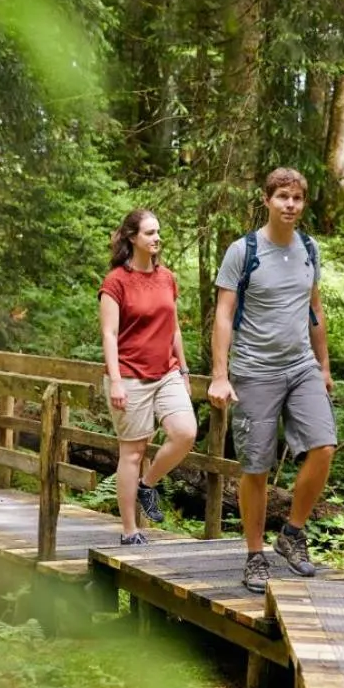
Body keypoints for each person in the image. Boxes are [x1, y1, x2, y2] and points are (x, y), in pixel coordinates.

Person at [207, 168, 337, 593]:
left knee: (324, 446)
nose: (290, 205)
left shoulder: (309, 249)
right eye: (282, 196)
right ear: (267, 200)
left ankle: (292, 534)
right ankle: (254, 556)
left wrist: (324, 366)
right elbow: (224, 315)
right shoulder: (243, 251)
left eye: (296, 198)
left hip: (301, 366)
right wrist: (220, 375)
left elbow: (314, 309)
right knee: (257, 467)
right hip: (254, 370)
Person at [98, 209, 198, 546]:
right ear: (132, 237)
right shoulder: (115, 282)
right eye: (149, 233)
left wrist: (183, 369)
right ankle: (129, 530)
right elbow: (109, 334)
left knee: (185, 432)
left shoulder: (167, 277)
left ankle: (147, 484)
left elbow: (174, 328)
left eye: (158, 232)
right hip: (129, 375)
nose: (157, 238)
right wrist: (115, 380)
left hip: (166, 371)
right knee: (132, 452)